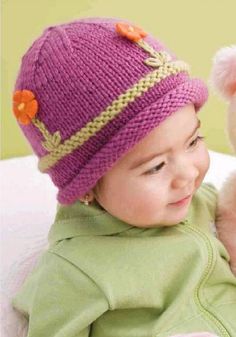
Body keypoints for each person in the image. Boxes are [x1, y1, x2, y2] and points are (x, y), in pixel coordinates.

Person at [11, 17, 236, 337]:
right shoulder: (75, 271)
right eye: (156, 167)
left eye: (194, 141)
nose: (187, 175)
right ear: (87, 186)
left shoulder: (207, 204)